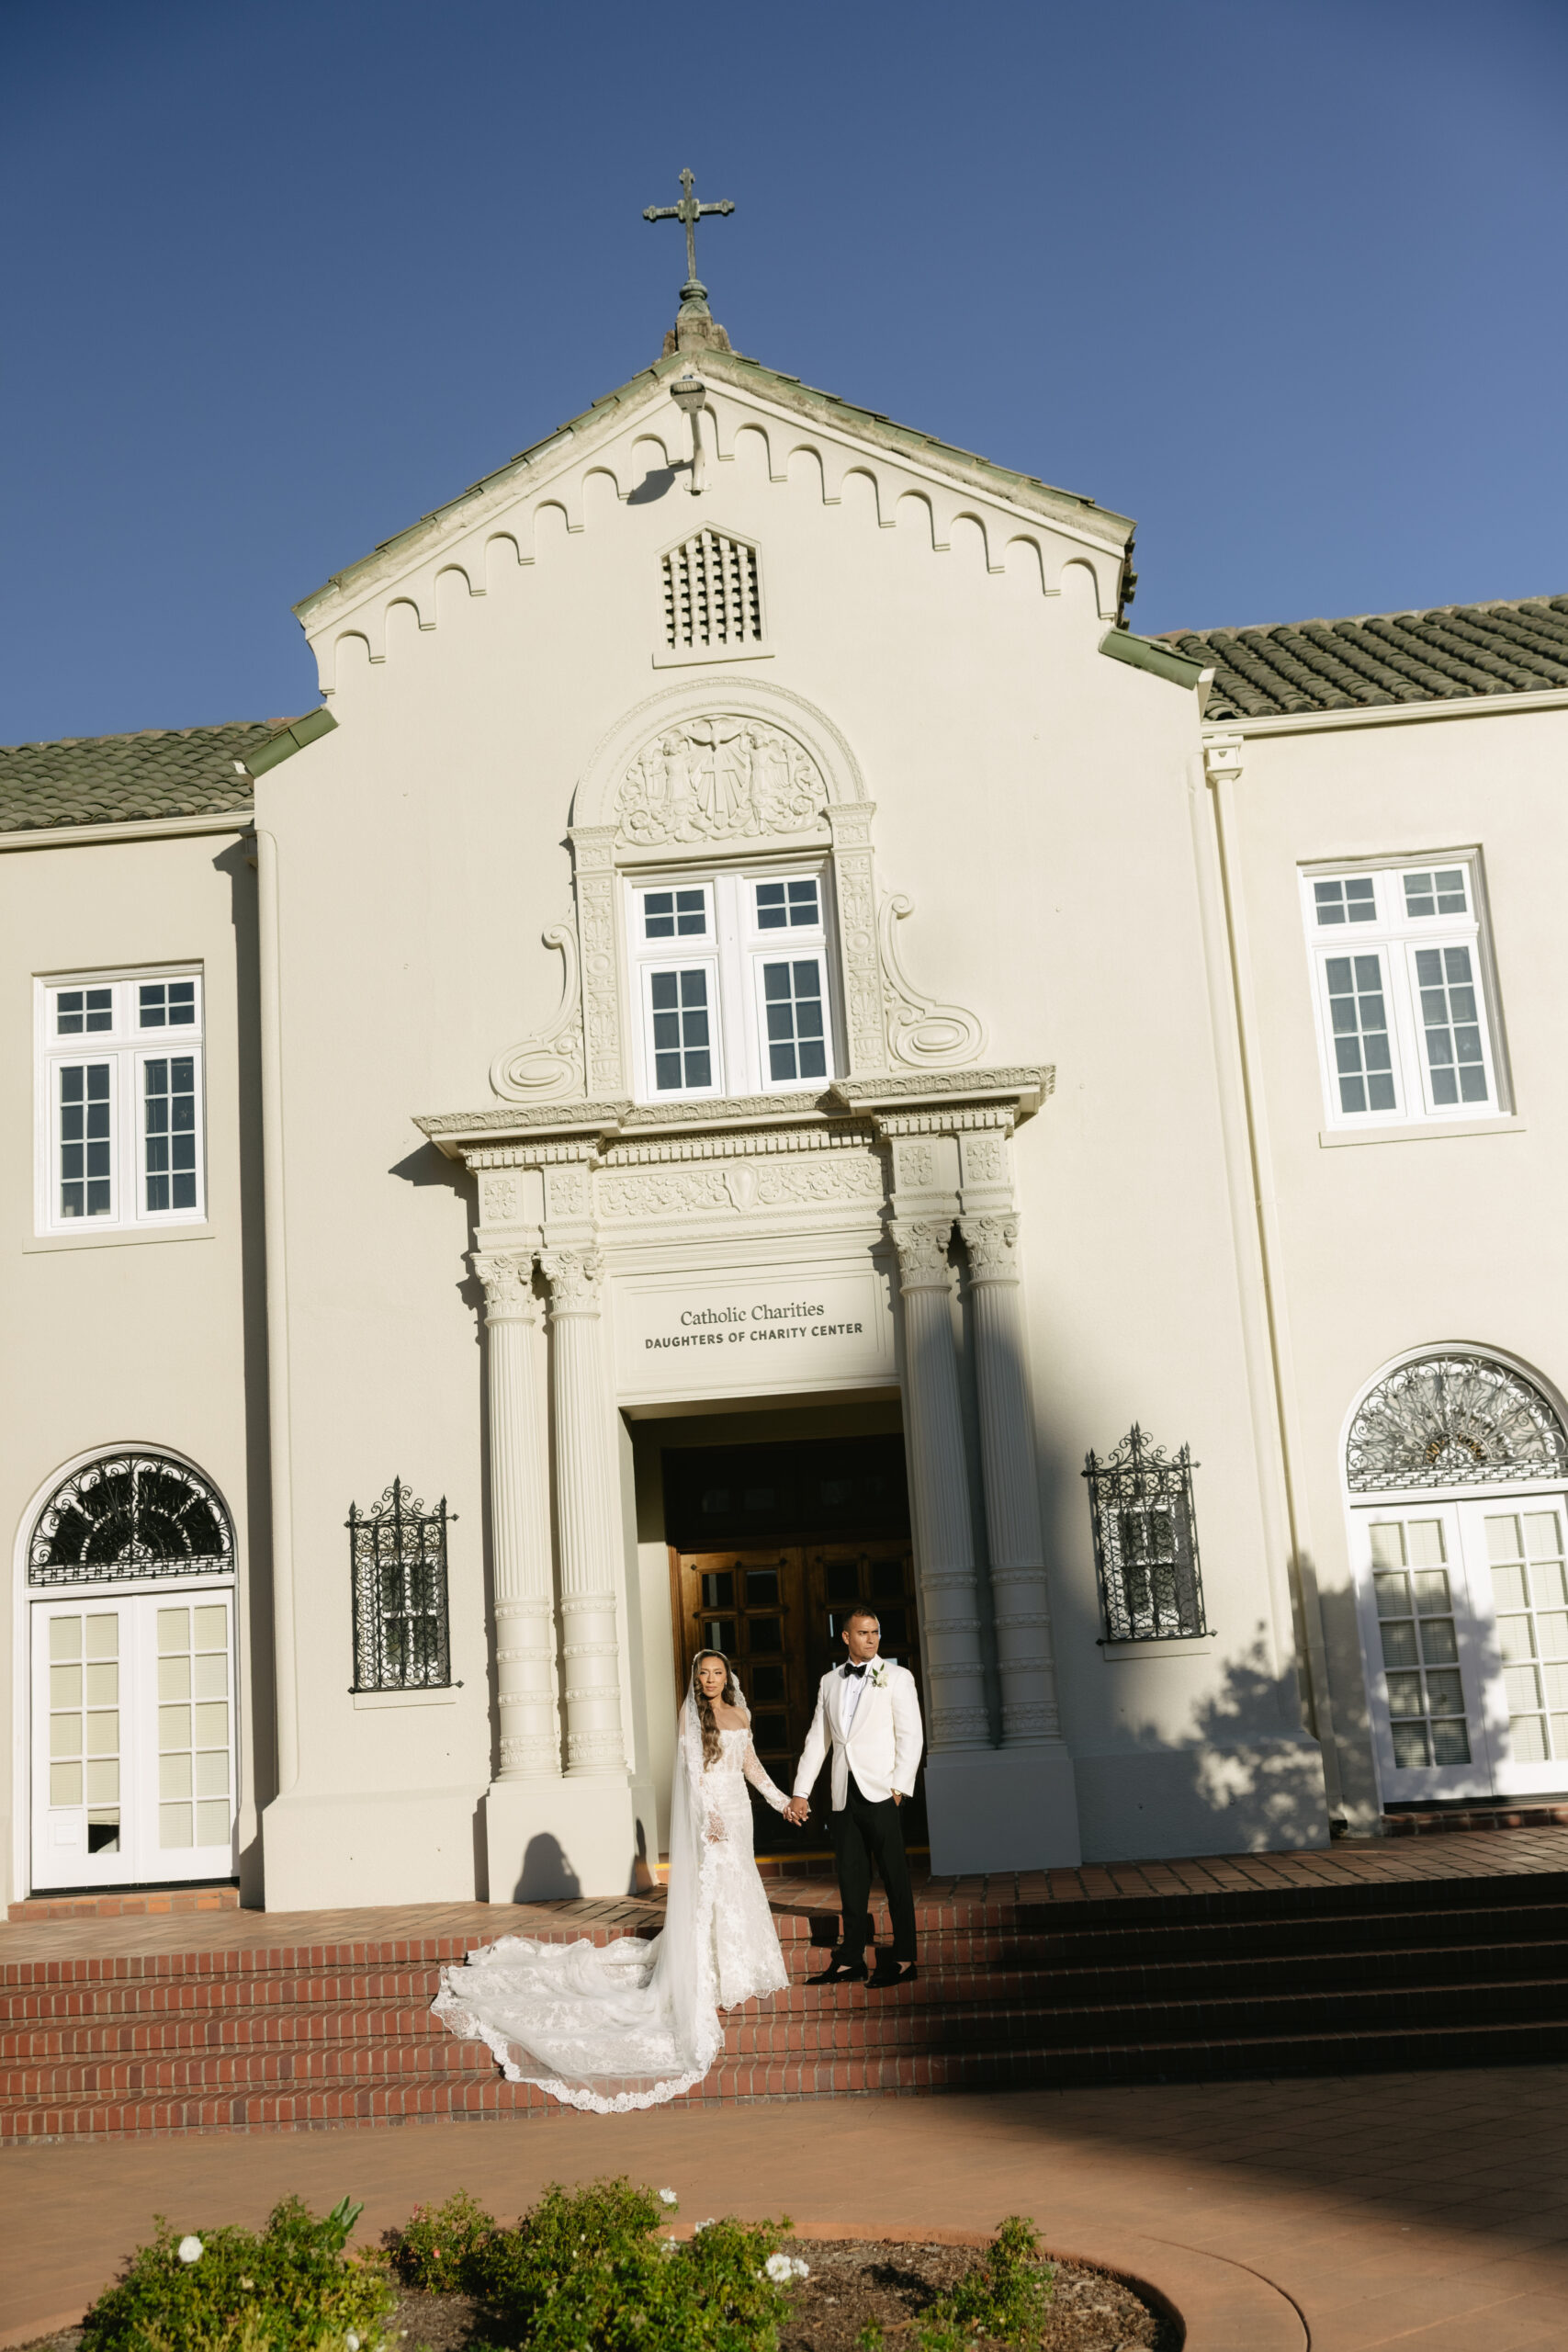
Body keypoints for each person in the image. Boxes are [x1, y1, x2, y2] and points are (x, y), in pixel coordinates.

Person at [431, 1651, 792, 2110]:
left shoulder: (740, 1714)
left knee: (741, 1886)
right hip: (713, 1819)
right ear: (696, 1681)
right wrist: (711, 1817)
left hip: (741, 1814)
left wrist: (783, 1803)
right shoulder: (690, 1722)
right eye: (703, 1674)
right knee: (714, 1891)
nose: (710, 1680)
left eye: (717, 1673)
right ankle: (714, 1970)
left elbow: (752, 1767)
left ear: (727, 1677)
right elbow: (693, 1778)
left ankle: (746, 1964)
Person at [784, 1606, 923, 1987]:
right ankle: (851, 1960)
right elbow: (818, 1740)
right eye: (863, 1633)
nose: (872, 1639)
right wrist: (801, 1792)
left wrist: (899, 1788)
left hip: (882, 1793)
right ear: (846, 1637)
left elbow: (911, 1736)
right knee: (851, 1880)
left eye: (876, 1632)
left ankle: (905, 1959)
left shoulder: (897, 1677)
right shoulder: (830, 1682)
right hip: (844, 1794)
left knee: (895, 1879)